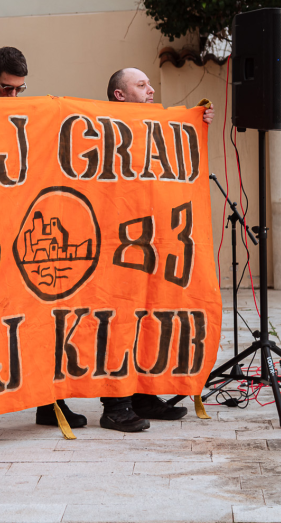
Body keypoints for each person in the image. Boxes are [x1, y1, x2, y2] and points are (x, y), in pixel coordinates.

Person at [0, 47, 88, 431]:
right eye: (6, 88)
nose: (13, 96)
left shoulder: (29, 114)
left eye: (20, 89)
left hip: (23, 236)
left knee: (41, 323)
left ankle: (52, 404)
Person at [98, 67, 214, 431]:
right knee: (119, 324)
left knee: (150, 321)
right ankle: (114, 405)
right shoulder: (103, 127)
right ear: (120, 95)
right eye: (141, 85)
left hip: (152, 244)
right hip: (116, 247)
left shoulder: (157, 129)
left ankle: (144, 396)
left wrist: (196, 122)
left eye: (149, 84)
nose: (151, 90)